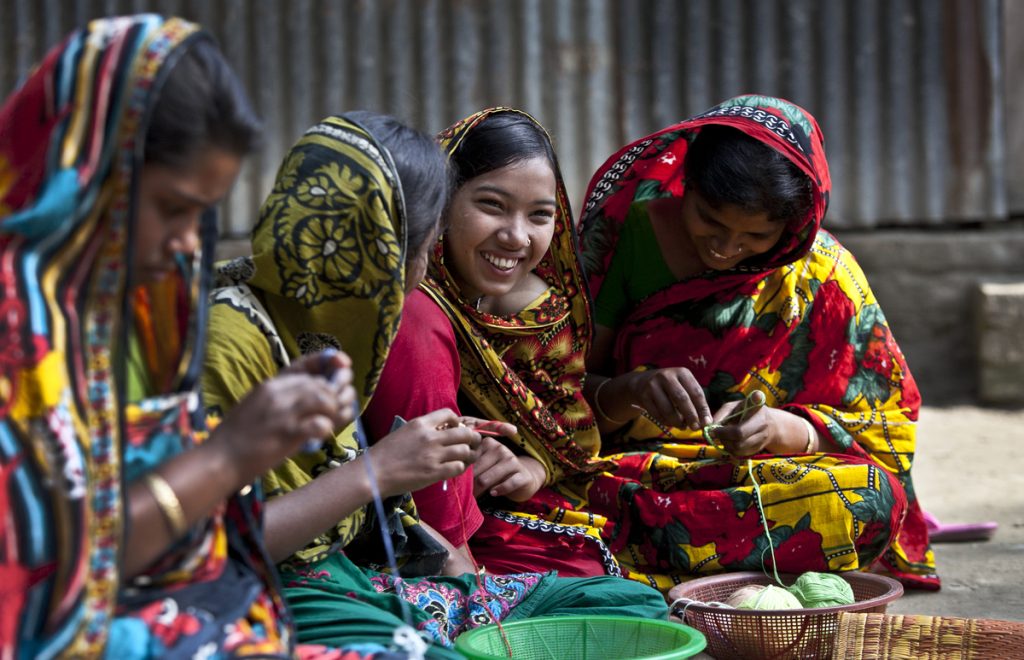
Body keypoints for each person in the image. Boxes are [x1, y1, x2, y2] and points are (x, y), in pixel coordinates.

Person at [0, 15, 399, 659]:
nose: (190, 241)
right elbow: (37, 584)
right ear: (90, 172)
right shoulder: (19, 328)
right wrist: (229, 456)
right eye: (174, 207)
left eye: (203, 213)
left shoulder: (150, 308)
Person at [201, 111, 668, 659]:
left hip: (348, 567)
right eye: (423, 248)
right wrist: (381, 471)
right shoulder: (231, 342)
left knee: (631, 606)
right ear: (381, 246)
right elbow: (215, 548)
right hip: (283, 585)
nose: (423, 272)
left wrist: (434, 494)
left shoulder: (335, 325)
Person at [579, 95, 937, 591]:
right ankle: (736, 571)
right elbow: (559, 398)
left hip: (762, 480)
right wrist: (632, 391)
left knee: (872, 500)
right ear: (687, 183)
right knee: (525, 495)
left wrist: (781, 430)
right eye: (709, 219)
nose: (725, 250)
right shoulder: (622, 238)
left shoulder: (822, 273)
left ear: (791, 228)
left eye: (756, 236)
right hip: (633, 476)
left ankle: (632, 563)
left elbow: (888, 427)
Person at [365, 107, 621, 579]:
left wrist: (531, 465)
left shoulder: (541, 311)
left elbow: (570, 433)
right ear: (440, 204)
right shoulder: (406, 300)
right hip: (389, 511)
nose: (515, 236)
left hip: (489, 508)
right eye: (492, 205)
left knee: (597, 573)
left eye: (539, 215)